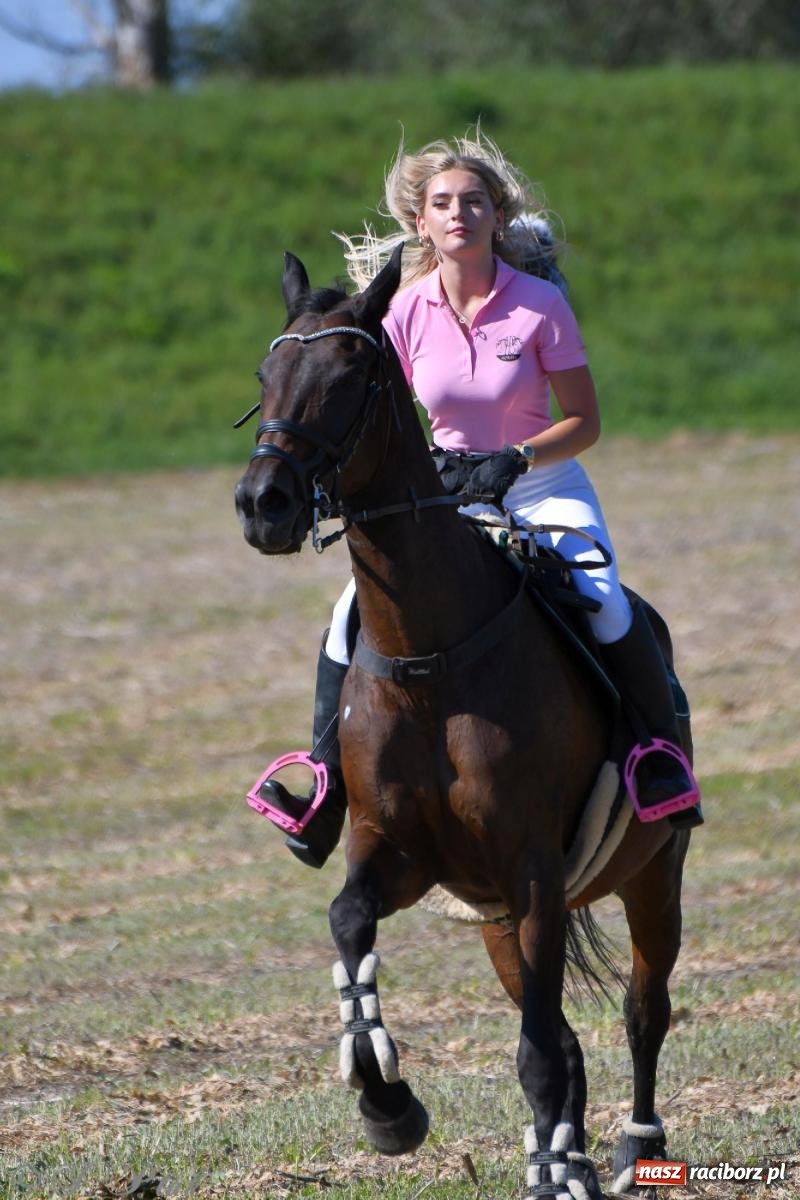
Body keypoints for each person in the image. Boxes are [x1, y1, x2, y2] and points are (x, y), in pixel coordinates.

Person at [263, 131, 701, 868]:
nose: (459, 213)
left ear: (497, 215)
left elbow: (585, 421)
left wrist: (519, 457)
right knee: (348, 618)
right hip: (442, 500)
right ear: (419, 223)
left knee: (605, 601)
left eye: (473, 201)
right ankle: (323, 786)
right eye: (442, 204)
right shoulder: (399, 314)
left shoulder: (540, 305)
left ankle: (660, 761)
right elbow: (377, 413)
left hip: (544, 487)